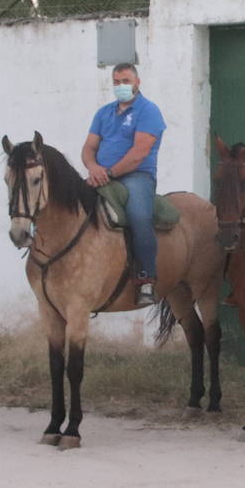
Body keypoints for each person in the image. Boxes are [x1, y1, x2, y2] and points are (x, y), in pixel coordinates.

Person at [82, 62, 166, 307]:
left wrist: (108, 172)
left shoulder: (149, 111)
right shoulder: (103, 113)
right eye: (117, 82)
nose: (121, 86)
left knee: (139, 217)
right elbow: (89, 147)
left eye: (126, 81)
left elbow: (139, 152)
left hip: (137, 176)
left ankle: (146, 278)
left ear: (137, 82)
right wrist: (93, 167)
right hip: (101, 175)